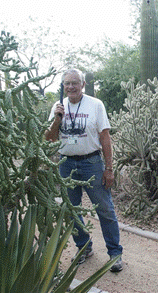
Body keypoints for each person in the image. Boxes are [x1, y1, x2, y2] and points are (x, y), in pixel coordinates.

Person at [45, 68, 123, 272]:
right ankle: (83, 247)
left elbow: (105, 137)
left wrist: (109, 168)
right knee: (72, 210)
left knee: (104, 209)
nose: (70, 87)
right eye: (66, 83)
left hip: (92, 163)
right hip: (66, 164)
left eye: (74, 83)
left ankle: (115, 252)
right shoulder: (57, 106)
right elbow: (50, 138)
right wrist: (57, 118)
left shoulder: (95, 105)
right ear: (63, 86)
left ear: (83, 85)